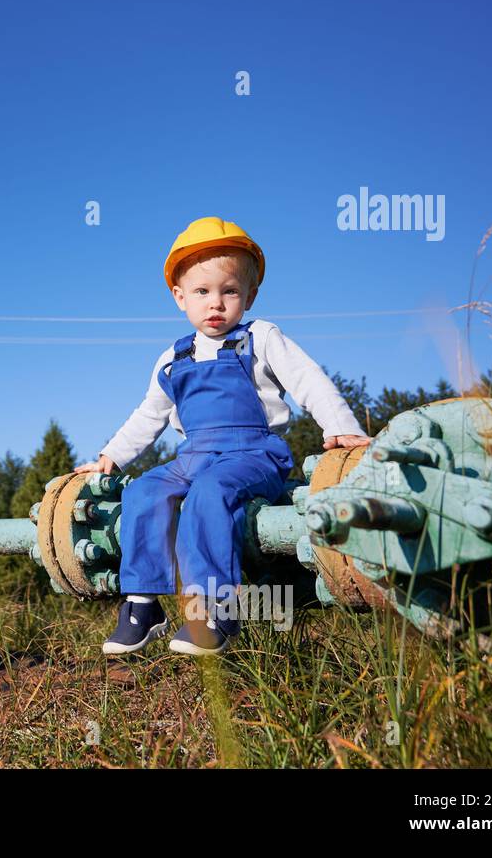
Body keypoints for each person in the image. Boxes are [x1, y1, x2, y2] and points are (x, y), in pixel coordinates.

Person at [74, 217, 369, 656]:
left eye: (229, 291)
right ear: (179, 297)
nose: (216, 303)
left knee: (210, 495)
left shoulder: (260, 338)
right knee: (144, 492)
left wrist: (342, 426)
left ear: (249, 295)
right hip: (193, 454)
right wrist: (110, 456)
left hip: (252, 453)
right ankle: (142, 605)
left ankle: (214, 610)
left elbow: (308, 379)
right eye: (201, 292)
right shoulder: (174, 357)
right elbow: (149, 415)